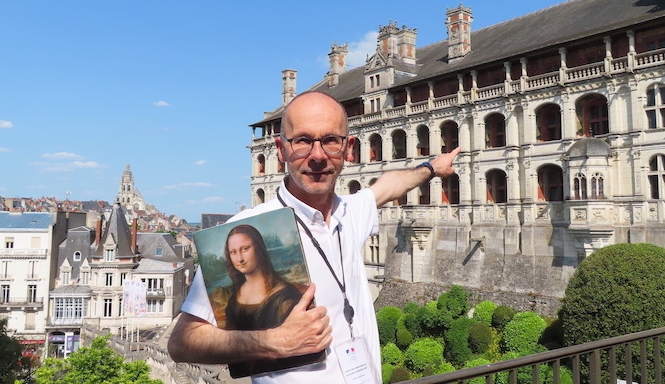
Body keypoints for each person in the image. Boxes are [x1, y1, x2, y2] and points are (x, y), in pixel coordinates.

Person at [168, 91, 460, 383]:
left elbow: (389, 185)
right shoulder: (242, 231)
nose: (317, 156)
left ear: (348, 149)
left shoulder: (350, 211)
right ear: (281, 149)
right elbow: (182, 342)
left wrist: (432, 168)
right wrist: (272, 342)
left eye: (331, 140)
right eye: (303, 141)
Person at [222, 224, 302, 331]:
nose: (239, 259)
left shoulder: (284, 296)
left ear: (259, 249)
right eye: (233, 252)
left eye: (245, 249)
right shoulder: (234, 298)